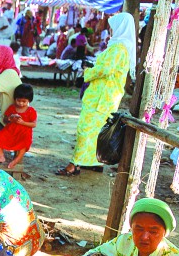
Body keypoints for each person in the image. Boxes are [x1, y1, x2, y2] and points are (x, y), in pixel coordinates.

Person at [57, 13, 135, 176]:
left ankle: (74, 164)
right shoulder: (121, 48)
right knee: (96, 130)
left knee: (85, 129)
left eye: (113, 27)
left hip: (101, 97)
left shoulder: (118, 48)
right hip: (106, 96)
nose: (110, 30)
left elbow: (105, 69)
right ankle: (93, 162)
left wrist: (88, 72)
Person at [0, 84, 37, 169]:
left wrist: (23, 122)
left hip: (24, 132)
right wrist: (10, 118)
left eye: (24, 101)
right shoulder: (12, 108)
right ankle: (1, 156)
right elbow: (5, 119)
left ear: (29, 100)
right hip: (11, 131)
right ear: (15, 98)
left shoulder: (31, 111)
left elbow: (34, 124)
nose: (21, 103)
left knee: (24, 144)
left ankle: (16, 160)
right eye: (18, 101)